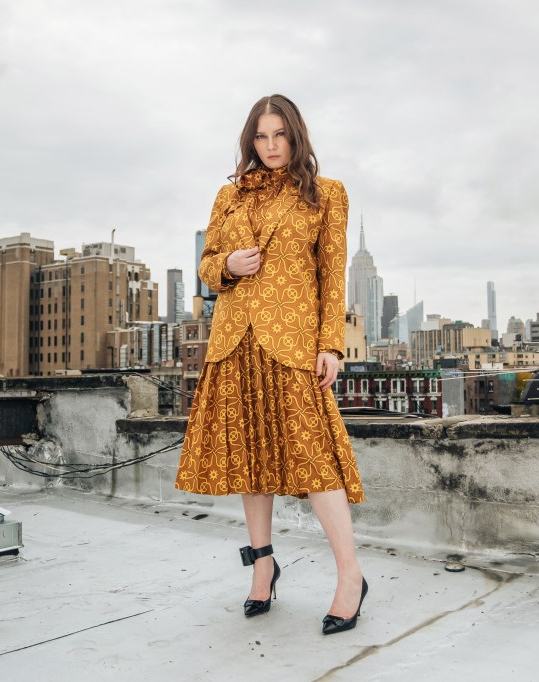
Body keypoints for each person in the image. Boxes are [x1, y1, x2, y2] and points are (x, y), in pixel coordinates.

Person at [175, 94, 367, 635]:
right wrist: (228, 265)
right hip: (235, 341)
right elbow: (208, 265)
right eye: (260, 137)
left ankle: (350, 576)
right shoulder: (229, 196)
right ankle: (262, 566)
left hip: (292, 342)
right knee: (249, 459)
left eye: (279, 134)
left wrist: (330, 344)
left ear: (295, 135)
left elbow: (332, 275)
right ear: (249, 141)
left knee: (315, 462)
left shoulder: (325, 194)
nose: (270, 146)